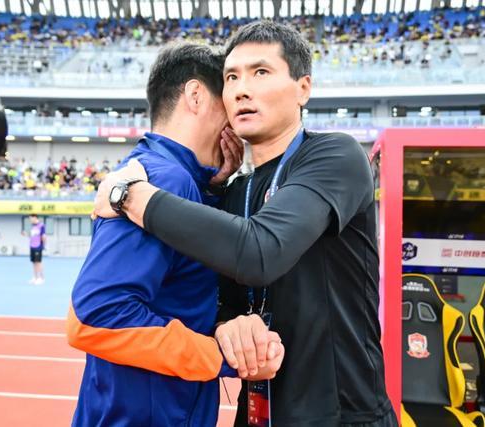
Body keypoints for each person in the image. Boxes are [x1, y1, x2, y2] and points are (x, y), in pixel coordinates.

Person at [93, 21, 396, 426]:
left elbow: (259, 253)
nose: (240, 89)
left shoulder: (335, 156)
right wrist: (226, 324)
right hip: (256, 413)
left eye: (261, 72)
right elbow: (221, 296)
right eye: (231, 77)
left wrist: (130, 195)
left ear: (303, 88)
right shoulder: (236, 190)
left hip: (343, 415)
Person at [66, 43, 284, 427]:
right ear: (196, 96)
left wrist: (212, 188)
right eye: (227, 99)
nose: (235, 121)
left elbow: (177, 284)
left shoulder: (161, 174)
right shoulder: (166, 180)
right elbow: (97, 314)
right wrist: (222, 355)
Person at [23, 214, 45, 285]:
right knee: (34, 262)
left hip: (38, 246)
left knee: (38, 262)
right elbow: (32, 236)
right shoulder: (33, 226)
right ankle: (35, 277)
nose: (30, 220)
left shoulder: (41, 225)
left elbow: (43, 236)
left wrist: (43, 245)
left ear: (35, 217)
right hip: (32, 246)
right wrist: (26, 235)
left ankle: (41, 278)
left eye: (31, 218)